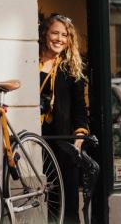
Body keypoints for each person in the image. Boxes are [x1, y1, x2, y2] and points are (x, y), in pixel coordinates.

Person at [39, 13, 89, 224]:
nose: (59, 39)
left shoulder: (71, 68)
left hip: (64, 141)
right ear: (45, 34)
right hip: (37, 139)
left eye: (64, 35)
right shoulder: (32, 61)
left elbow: (80, 107)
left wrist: (79, 136)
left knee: (67, 199)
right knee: (45, 198)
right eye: (55, 33)